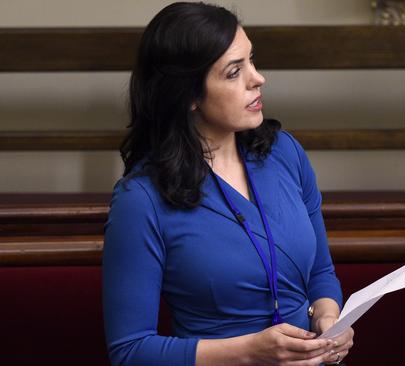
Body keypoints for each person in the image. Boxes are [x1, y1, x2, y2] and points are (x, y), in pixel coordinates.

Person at [102, 3, 354, 365]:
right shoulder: (140, 199)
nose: (258, 78)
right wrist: (251, 352)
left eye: (252, 60)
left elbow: (320, 272)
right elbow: (130, 351)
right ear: (188, 94)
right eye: (234, 71)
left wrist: (330, 319)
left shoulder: (285, 152)